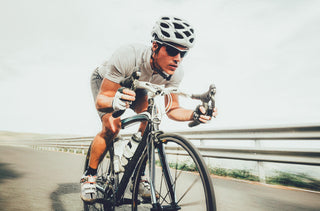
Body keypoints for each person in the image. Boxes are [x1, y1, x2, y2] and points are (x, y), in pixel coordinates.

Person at [80, 16, 218, 203]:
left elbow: (173, 109)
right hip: (108, 81)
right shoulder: (128, 55)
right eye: (171, 50)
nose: (177, 59)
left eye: (183, 54)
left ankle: (138, 173)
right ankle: (90, 175)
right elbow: (102, 100)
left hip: (138, 85)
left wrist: (195, 114)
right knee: (112, 127)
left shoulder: (175, 72)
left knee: (153, 118)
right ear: (155, 46)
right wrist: (115, 103)